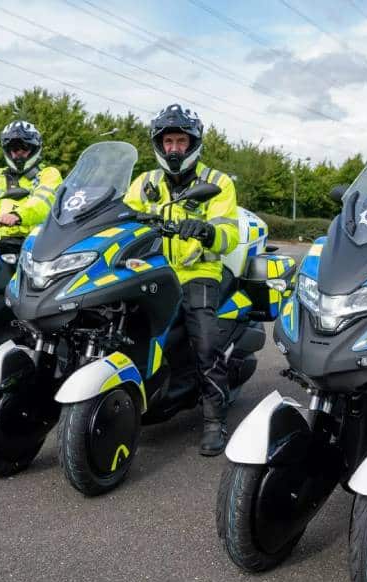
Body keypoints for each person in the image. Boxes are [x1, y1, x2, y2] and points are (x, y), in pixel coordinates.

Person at [123, 104, 240, 456]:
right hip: (150, 270)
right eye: (168, 141)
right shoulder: (144, 183)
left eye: (181, 141)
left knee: (205, 343)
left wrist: (205, 230)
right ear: (159, 144)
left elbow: (228, 235)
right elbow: (122, 219)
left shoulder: (217, 183)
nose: (174, 148)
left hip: (197, 273)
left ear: (193, 144)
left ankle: (214, 420)